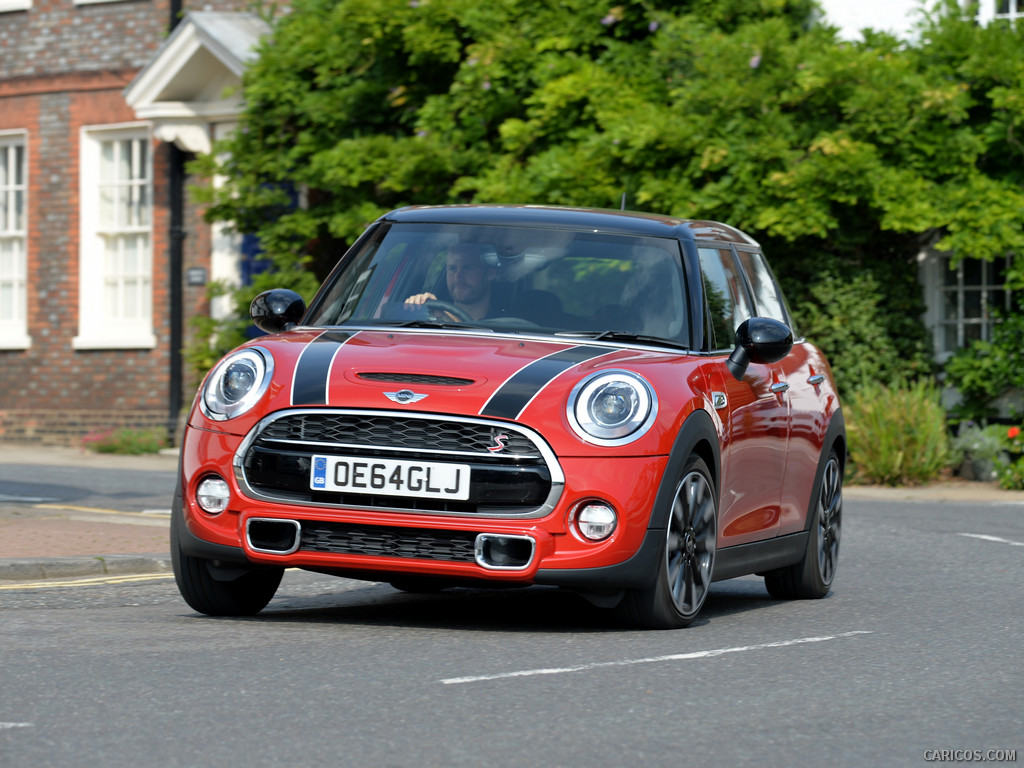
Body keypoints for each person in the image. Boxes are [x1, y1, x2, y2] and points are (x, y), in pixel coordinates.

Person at [405, 243, 498, 321]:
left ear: (490, 273)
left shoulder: (505, 326)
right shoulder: (432, 319)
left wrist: (446, 317)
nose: (457, 277)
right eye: (452, 268)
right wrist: (418, 306)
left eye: (468, 268)